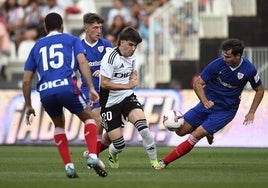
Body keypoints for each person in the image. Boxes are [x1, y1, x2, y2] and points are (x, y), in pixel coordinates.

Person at [155, 38, 264, 169]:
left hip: (225, 110)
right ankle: (208, 131)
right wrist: (204, 101)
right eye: (223, 55)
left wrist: (251, 112)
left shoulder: (249, 70)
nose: (224, 59)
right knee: (181, 131)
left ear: (238, 56)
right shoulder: (217, 65)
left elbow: (259, 90)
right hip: (207, 103)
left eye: (228, 57)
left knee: (196, 135)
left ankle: (164, 162)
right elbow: (198, 84)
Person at [22, 12, 108, 178]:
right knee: (90, 119)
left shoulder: (36, 47)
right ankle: (92, 156)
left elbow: (26, 81)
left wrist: (28, 105)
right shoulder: (72, 40)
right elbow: (82, 62)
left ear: (46, 28)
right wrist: (91, 87)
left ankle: (69, 165)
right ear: (62, 26)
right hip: (67, 87)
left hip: (46, 92)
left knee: (59, 125)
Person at [100, 26, 158, 169]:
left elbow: (133, 72)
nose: (133, 49)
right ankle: (111, 153)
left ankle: (155, 162)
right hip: (110, 103)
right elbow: (104, 83)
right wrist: (128, 86)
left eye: (136, 46)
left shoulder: (132, 57)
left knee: (144, 129)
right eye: (131, 45)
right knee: (119, 145)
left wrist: (135, 78)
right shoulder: (110, 57)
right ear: (121, 43)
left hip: (127, 98)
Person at [80, 13, 112, 156]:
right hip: (89, 91)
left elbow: (115, 66)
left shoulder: (106, 45)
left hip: (108, 91)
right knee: (97, 120)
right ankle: (94, 157)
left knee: (114, 134)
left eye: (100, 27)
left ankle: (92, 152)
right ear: (86, 28)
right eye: (95, 28)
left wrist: (104, 70)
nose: (99, 31)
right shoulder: (79, 47)